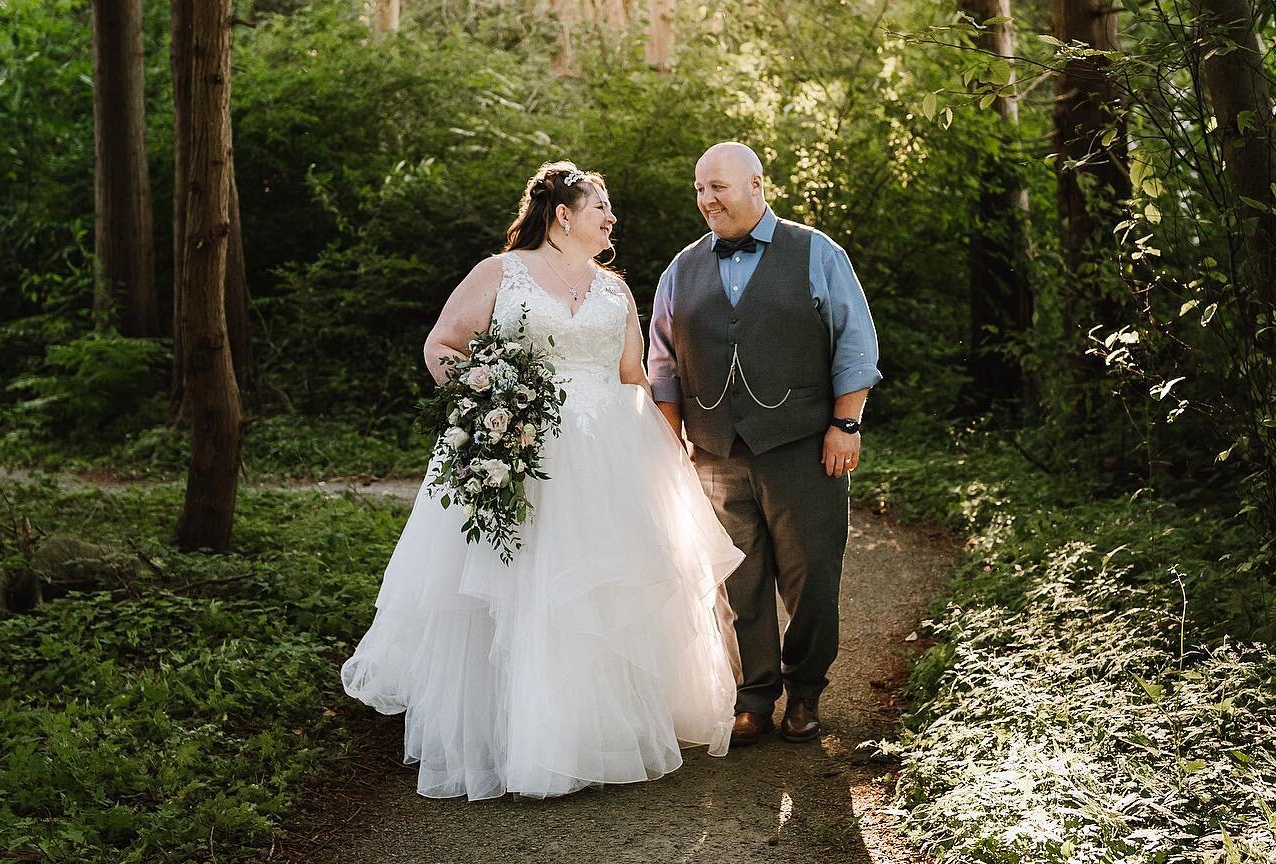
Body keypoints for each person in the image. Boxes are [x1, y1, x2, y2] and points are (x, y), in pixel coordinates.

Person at [341, 161, 744, 801]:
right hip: (518, 447)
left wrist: (666, 450)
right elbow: (442, 345)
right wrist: (483, 404)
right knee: (518, 589)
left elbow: (632, 378)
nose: (612, 218)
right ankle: (515, 739)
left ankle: (591, 733)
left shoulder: (616, 292)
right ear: (563, 214)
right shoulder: (501, 274)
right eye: (601, 206)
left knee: (597, 592)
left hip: (605, 455)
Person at [648, 142, 881, 747]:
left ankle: (804, 694)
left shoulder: (816, 252)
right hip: (715, 454)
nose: (706, 201)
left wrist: (846, 424)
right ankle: (753, 697)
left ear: (756, 183)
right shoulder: (681, 269)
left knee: (811, 577)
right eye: (699, 190)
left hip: (804, 445)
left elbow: (855, 342)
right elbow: (663, 364)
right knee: (737, 582)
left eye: (717, 187)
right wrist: (673, 440)